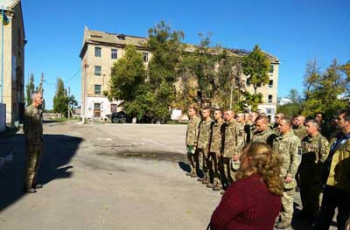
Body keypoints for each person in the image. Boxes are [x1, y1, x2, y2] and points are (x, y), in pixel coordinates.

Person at [209, 142, 283, 230]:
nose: (240, 159)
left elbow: (218, 221)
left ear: (248, 160)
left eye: (242, 156)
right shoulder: (274, 184)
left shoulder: (240, 188)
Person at [311, 109, 350, 230]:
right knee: (325, 213)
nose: (336, 121)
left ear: (348, 122)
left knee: (343, 218)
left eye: (339, 119)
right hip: (330, 182)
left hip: (345, 185)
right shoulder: (335, 136)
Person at [298, 119, 329, 222]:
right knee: (304, 193)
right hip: (304, 173)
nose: (306, 128)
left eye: (308, 126)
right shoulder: (304, 139)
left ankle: (314, 216)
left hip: (316, 174)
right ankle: (305, 212)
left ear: (315, 127)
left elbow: (324, 158)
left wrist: (318, 173)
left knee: (314, 196)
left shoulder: (322, 140)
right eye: (305, 126)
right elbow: (300, 154)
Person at [273, 118, 301, 229]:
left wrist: (291, 174)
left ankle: (286, 220)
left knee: (286, 199)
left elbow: (296, 159)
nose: (278, 127)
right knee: (276, 196)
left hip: (286, 174)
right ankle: (277, 216)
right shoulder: (277, 139)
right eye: (278, 125)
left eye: (281, 125)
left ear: (288, 126)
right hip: (275, 173)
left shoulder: (294, 140)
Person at [23, 91, 44, 193]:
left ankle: (33, 183)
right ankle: (27, 186)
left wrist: (40, 139)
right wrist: (31, 141)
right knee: (31, 164)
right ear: (35, 99)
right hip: (32, 142)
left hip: (39, 140)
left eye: (42, 97)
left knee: (37, 164)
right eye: (40, 98)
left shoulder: (39, 110)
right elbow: (26, 129)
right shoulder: (29, 110)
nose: (42, 99)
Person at [207, 109, 225, 191]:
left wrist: (220, 149)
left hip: (218, 149)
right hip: (212, 148)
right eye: (214, 114)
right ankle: (215, 181)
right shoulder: (214, 124)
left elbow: (224, 138)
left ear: (221, 115)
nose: (214, 115)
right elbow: (211, 136)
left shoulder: (223, 124)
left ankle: (220, 183)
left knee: (219, 167)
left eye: (216, 114)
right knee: (213, 166)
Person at [196, 106, 214, 184]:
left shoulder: (212, 123)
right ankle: (205, 176)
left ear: (209, 113)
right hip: (200, 144)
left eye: (204, 112)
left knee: (207, 162)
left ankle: (210, 177)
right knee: (202, 162)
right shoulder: (202, 122)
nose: (203, 114)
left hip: (207, 145)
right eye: (202, 112)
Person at [185, 105, 201, 177]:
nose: (189, 112)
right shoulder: (190, 120)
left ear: (195, 112)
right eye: (189, 111)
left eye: (190, 111)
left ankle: (195, 171)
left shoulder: (197, 120)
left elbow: (197, 131)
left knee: (193, 157)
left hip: (193, 142)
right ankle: (192, 170)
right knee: (189, 156)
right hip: (189, 142)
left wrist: (195, 142)